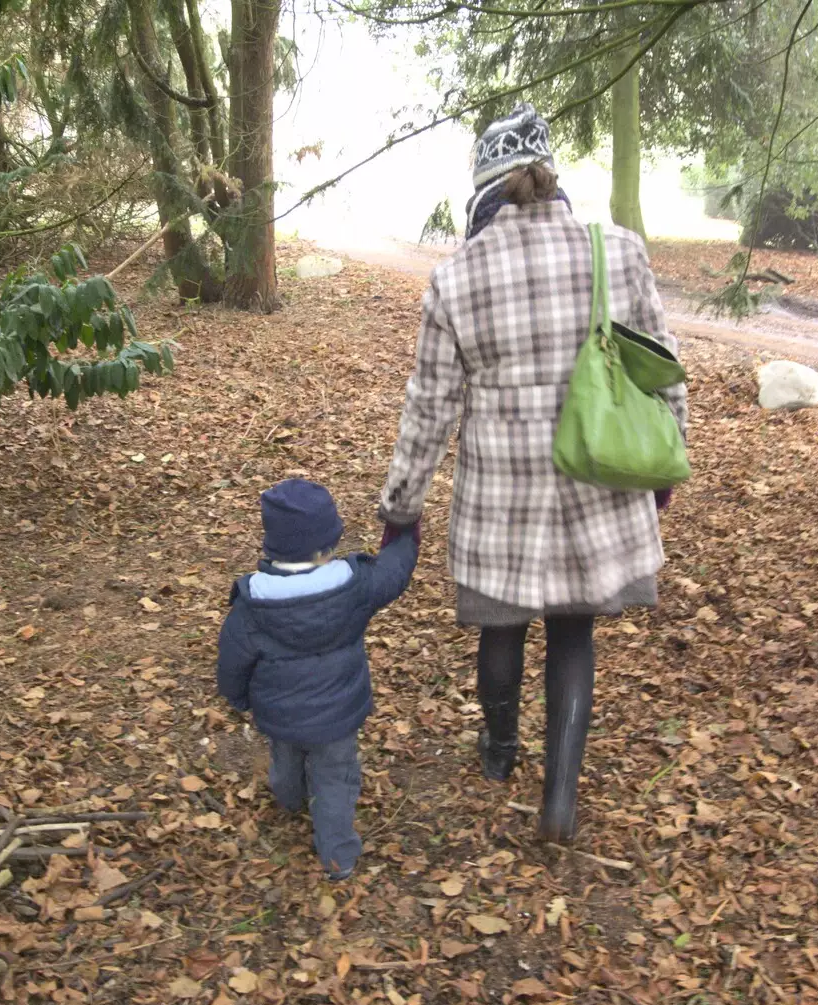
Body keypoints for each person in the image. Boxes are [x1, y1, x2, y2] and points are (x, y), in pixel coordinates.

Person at [377, 103, 687, 842]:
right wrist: (667, 454)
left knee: (501, 627)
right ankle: (560, 803)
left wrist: (401, 505)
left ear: (483, 189)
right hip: (597, 473)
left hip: (500, 491)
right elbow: (664, 368)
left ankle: (498, 750)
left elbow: (430, 405)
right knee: (574, 632)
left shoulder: (456, 278)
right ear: (553, 178)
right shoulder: (617, 250)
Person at [218, 479, 419, 880]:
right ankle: (338, 856)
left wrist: (238, 697)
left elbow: (232, 659)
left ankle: (290, 800)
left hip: (279, 712)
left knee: (286, 757)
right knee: (335, 779)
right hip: (338, 716)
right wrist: (404, 530)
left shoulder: (252, 605)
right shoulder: (354, 586)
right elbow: (395, 571)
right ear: (327, 543)